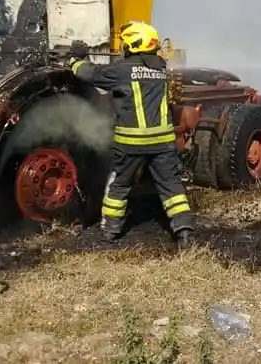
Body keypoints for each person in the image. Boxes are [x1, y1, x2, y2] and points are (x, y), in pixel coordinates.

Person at [67, 21, 196, 250]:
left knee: (118, 186)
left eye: (126, 44)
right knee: (171, 187)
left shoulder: (122, 70)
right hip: (163, 143)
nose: (124, 48)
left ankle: (109, 232)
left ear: (134, 45)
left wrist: (75, 58)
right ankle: (184, 233)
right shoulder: (162, 69)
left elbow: (91, 74)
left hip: (131, 143)